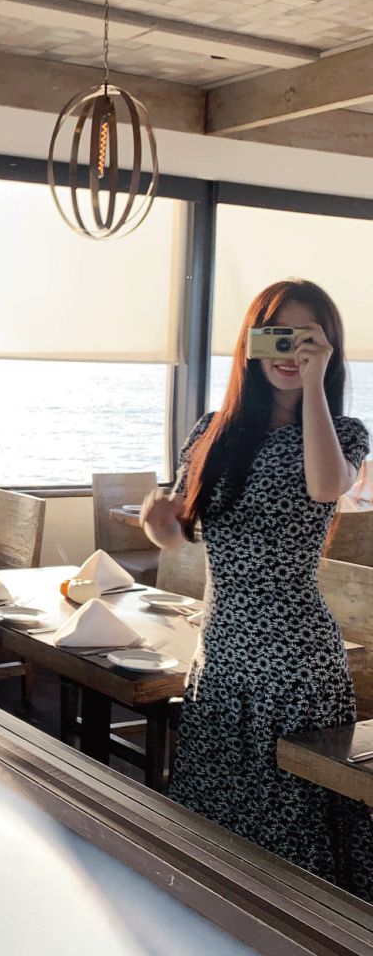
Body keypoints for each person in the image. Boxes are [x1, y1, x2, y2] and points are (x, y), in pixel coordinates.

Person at [142, 278, 373, 900]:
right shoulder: (212, 431)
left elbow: (326, 487)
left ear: (329, 348)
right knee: (215, 814)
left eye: (308, 338)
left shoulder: (344, 432)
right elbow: (180, 533)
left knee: (292, 825)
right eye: (278, 335)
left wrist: (314, 385)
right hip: (220, 653)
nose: (290, 351)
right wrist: (158, 524)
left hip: (295, 663)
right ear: (251, 343)